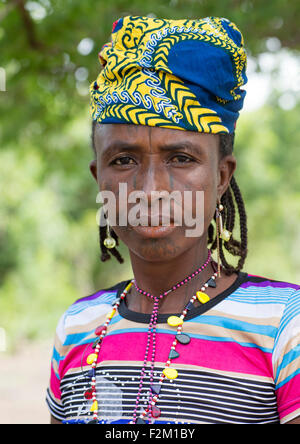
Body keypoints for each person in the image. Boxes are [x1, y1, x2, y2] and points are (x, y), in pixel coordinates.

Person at [46, 16, 300, 424]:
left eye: (181, 158)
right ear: (100, 178)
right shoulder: (78, 327)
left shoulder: (285, 329)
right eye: (123, 159)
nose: (151, 188)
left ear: (221, 177)